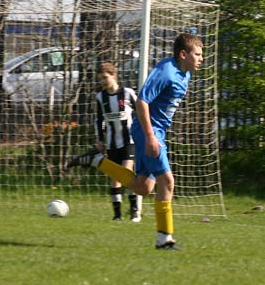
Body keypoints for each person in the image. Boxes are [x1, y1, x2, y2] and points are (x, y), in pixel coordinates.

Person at [68, 33, 203, 250]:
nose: (201, 58)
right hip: (148, 132)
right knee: (167, 182)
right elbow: (142, 101)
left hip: (155, 132)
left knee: (143, 187)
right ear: (183, 54)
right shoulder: (166, 71)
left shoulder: (184, 74)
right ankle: (164, 239)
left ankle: (97, 161)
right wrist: (150, 136)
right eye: (197, 54)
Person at [93, 62, 142, 222]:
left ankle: (134, 211)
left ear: (113, 75)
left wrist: (144, 132)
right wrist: (100, 139)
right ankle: (117, 215)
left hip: (130, 141)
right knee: (115, 178)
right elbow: (99, 120)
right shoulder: (101, 97)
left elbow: (141, 111)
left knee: (126, 173)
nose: (103, 81)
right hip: (112, 143)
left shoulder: (127, 93)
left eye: (105, 77)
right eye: (100, 79)